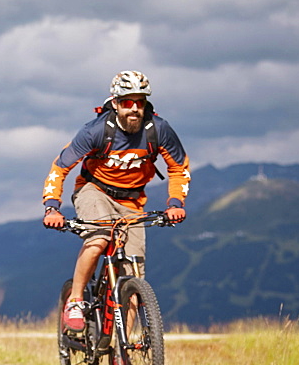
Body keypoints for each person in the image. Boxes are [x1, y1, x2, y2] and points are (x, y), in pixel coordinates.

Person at [42, 70, 191, 331]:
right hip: (94, 190)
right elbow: (60, 168)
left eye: (140, 102)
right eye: (127, 102)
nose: (134, 108)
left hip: (133, 202)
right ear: (115, 103)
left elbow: (179, 168)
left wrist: (175, 203)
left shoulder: (159, 130)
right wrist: (52, 207)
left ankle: (123, 353)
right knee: (99, 237)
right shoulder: (96, 131)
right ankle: (76, 300)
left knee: (133, 275)